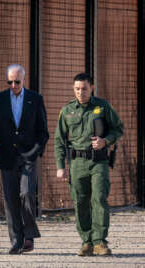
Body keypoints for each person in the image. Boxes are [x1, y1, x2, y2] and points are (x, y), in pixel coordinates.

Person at [55, 73, 123, 256]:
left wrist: (106, 141)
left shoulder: (102, 107)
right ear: (73, 89)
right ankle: (87, 241)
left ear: (91, 88)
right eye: (77, 88)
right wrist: (60, 166)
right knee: (80, 202)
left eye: (84, 88)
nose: (80, 92)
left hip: (98, 161)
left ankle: (100, 241)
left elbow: (118, 128)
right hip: (77, 163)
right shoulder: (67, 110)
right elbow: (59, 140)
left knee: (99, 198)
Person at [0, 64, 49, 254]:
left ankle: (29, 235)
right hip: (7, 156)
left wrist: (36, 151)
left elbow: (43, 131)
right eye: (9, 81)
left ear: (23, 80)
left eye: (17, 81)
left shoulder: (35, 100)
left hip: (28, 155)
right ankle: (16, 240)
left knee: (27, 193)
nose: (13, 85)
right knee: (11, 199)